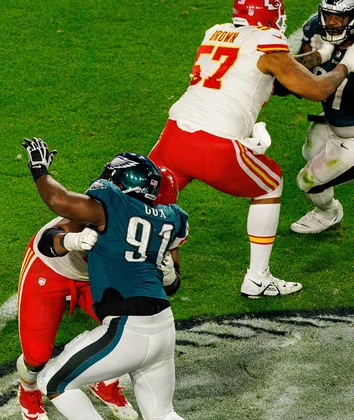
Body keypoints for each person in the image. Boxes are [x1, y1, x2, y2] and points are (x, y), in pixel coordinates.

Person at [21, 138, 250, 420]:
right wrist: (171, 274)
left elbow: (58, 200)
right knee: (162, 416)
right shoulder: (172, 217)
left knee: (52, 381)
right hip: (163, 325)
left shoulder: (110, 204)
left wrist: (39, 170)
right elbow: (172, 280)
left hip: (128, 328)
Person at [148, 0, 354, 297]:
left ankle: (99, 255)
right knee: (270, 184)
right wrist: (345, 64)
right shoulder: (267, 40)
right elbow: (316, 89)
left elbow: (263, 70)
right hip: (215, 141)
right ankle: (258, 278)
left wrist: (321, 54)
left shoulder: (215, 32)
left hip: (174, 132)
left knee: (142, 197)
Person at [16, 171, 179, 420]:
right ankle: (27, 391)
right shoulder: (103, 209)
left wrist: (169, 276)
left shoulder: (164, 225)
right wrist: (72, 240)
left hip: (97, 278)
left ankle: (105, 382)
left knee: (134, 330)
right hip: (52, 269)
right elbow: (47, 241)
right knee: (37, 355)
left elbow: (171, 285)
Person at [286, 0, 354, 233]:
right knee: (310, 153)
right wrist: (320, 55)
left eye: (339, 17)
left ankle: (328, 213)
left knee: (308, 182)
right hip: (334, 119)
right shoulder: (317, 28)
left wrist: (339, 64)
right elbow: (296, 78)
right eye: (328, 14)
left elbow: (322, 89)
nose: (331, 22)